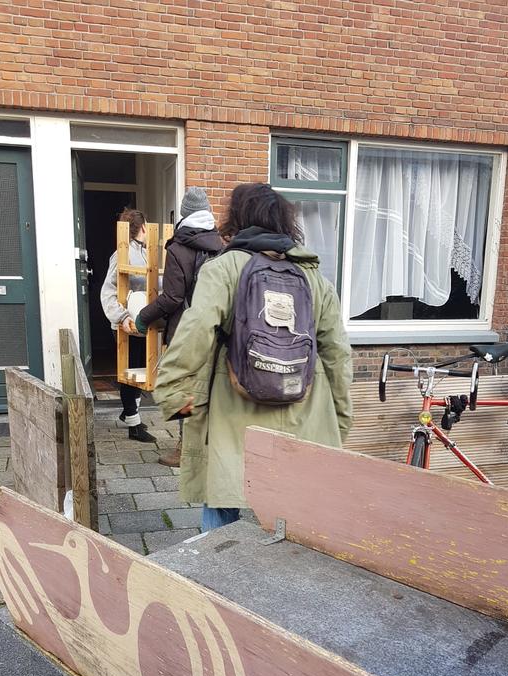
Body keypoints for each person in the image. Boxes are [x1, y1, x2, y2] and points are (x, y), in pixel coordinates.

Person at [152, 182, 353, 532]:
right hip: (303, 411)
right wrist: (340, 417)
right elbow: (337, 353)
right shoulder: (314, 278)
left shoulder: (224, 269)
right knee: (297, 516)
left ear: (237, 219)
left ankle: (214, 563)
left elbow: (194, 331)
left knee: (222, 500)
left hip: (234, 410)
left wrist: (171, 390)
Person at [133, 188, 222, 466]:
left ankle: (185, 449)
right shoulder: (221, 245)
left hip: (186, 332)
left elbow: (172, 297)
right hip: (216, 330)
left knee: (182, 390)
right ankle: (209, 448)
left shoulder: (179, 247)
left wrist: (144, 317)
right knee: (209, 389)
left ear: (184, 214)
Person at [100, 208, 156, 443]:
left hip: (142, 326)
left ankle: (129, 413)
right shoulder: (122, 254)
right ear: (143, 227)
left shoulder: (145, 252)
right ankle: (133, 425)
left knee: (140, 371)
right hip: (128, 326)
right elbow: (108, 293)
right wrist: (122, 318)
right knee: (129, 372)